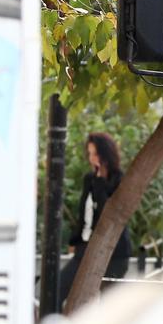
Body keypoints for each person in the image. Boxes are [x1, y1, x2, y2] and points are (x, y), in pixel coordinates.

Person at [57, 132, 133, 308]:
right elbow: (84, 213)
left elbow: (106, 212)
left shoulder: (119, 180)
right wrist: (75, 240)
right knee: (60, 286)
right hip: (86, 249)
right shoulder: (88, 179)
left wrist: (100, 181)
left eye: (95, 153)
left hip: (114, 253)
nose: (92, 158)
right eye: (90, 153)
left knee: (108, 304)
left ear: (106, 154)